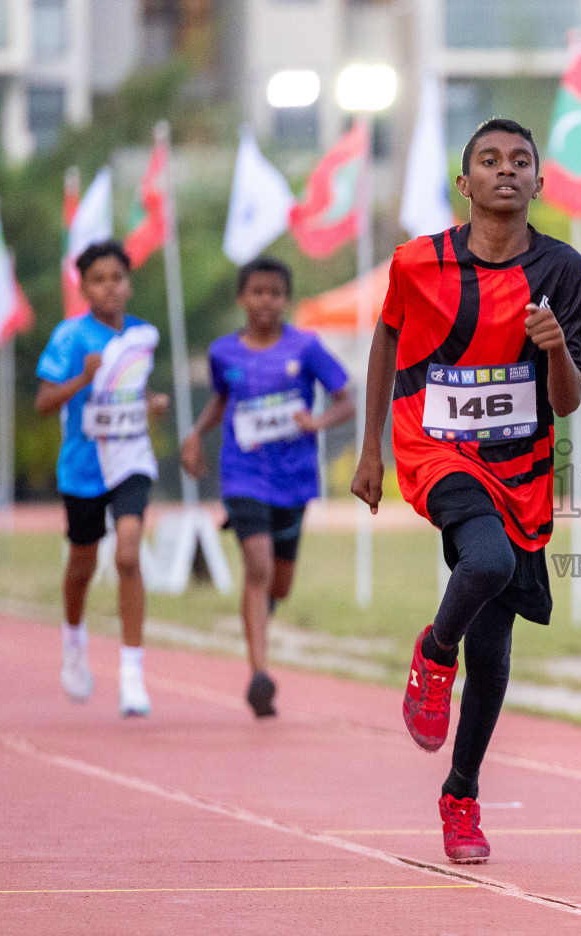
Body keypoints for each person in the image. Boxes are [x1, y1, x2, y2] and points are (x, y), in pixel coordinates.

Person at [351, 118, 581, 864]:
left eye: (520, 161)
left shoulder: (564, 272)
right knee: (485, 565)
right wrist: (372, 450)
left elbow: (566, 403)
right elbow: (387, 340)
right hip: (435, 448)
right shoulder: (416, 264)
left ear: (537, 182)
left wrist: (554, 347)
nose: (505, 170)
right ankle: (432, 654)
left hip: (520, 468)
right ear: (465, 183)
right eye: (489, 161)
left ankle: (460, 794)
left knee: (494, 654)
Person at [180, 256, 354, 718]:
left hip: (294, 478)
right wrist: (196, 435)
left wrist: (315, 421)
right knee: (255, 566)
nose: (266, 301)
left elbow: (346, 401)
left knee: (280, 582)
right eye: (256, 292)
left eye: (275, 292)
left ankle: (260, 614)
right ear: (242, 298)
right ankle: (260, 675)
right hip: (242, 473)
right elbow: (222, 399)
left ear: (286, 298)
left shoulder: (307, 347)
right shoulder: (224, 353)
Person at [35, 240, 170, 717]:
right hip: (83, 468)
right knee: (82, 566)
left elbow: (132, 388)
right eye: (98, 280)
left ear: (129, 284)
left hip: (130, 460)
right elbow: (44, 403)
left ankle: (132, 674)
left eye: (116, 278)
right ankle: (74, 641)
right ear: (84, 288)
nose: (109, 287)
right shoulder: (71, 338)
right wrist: (81, 380)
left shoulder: (142, 336)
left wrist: (152, 403)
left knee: (129, 554)